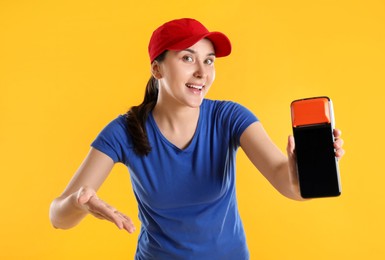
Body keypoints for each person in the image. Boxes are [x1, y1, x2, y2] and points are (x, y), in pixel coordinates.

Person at [49, 18, 345, 259]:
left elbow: (289, 185)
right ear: (157, 68)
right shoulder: (125, 131)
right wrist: (79, 204)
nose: (202, 72)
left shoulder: (229, 118)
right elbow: (58, 217)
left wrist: (299, 173)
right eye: (188, 58)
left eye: (210, 60)